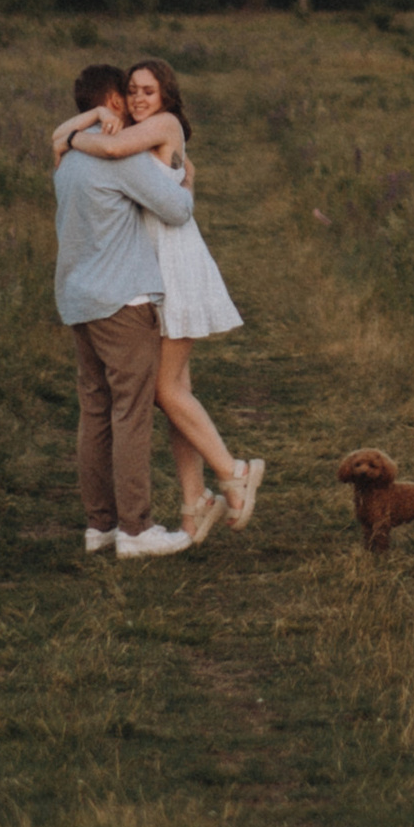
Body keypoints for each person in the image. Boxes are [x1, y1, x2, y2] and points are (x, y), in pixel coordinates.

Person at [67, 57, 265, 534]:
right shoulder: (148, 130)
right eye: (132, 90)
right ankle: (194, 501)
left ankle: (234, 471)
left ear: (167, 97)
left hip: (172, 265)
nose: (137, 98)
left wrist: (73, 135)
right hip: (147, 265)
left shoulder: (162, 124)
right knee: (178, 391)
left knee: (163, 389)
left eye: (148, 91)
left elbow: (110, 152)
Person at [49, 58, 199, 560]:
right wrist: (186, 177)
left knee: (93, 412)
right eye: (126, 95)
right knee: (130, 414)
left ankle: (101, 526)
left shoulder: (66, 161)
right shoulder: (120, 158)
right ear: (112, 101)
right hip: (122, 302)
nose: (133, 106)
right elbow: (178, 210)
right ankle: (137, 530)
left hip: (76, 300)